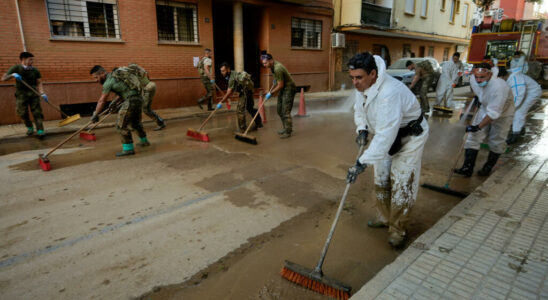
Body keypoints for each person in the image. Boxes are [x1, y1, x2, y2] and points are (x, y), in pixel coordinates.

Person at [346, 52, 429, 248]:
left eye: (359, 77)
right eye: (352, 78)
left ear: (373, 73)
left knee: (402, 181)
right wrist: (362, 129)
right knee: (381, 177)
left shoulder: (389, 93)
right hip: (388, 134)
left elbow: (385, 135)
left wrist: (361, 163)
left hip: (410, 137)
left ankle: (398, 229)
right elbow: (360, 110)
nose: (355, 83)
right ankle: (384, 218)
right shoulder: (363, 87)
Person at [454, 63, 514, 177]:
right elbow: (477, 90)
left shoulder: (499, 87)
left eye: (482, 77)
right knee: (472, 137)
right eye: (476, 76)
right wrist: (478, 97)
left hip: (503, 114)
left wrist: (478, 126)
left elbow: (494, 113)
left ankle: (487, 168)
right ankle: (467, 168)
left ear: (490, 74)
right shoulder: (473, 79)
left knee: (497, 141)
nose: (478, 80)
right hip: (485, 108)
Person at [89, 65, 150, 157]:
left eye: (96, 77)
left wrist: (96, 114)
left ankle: (128, 149)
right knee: (135, 123)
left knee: (120, 125)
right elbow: (125, 90)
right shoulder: (116, 76)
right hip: (138, 99)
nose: (96, 80)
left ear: (102, 73)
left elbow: (102, 100)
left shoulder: (108, 82)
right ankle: (144, 141)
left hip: (130, 101)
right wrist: (114, 103)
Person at [1, 52, 46, 138]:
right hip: (21, 94)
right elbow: (3, 78)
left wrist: (42, 93)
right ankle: (29, 127)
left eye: (32, 59)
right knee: (22, 113)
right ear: (23, 59)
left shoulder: (35, 70)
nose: (32, 61)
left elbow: (39, 82)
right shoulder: (16, 68)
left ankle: (40, 130)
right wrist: (12, 75)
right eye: (30, 59)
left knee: (37, 112)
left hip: (33, 94)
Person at [501, 66, 542, 144]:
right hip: (525, 91)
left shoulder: (515, 80)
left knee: (519, 112)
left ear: (503, 76)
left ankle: (515, 135)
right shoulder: (509, 77)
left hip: (533, 92)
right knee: (518, 111)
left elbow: (518, 96)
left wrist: (510, 108)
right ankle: (521, 129)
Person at [260, 51, 297, 139]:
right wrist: (274, 82)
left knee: (285, 111)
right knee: (279, 110)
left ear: (270, 60)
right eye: (263, 63)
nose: (264, 65)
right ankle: (285, 127)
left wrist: (271, 93)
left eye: (265, 63)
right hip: (283, 88)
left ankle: (288, 131)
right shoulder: (272, 67)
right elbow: (278, 82)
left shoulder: (277, 68)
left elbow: (281, 85)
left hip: (289, 88)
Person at [218, 63, 262, 132]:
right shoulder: (232, 74)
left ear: (228, 69)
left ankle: (243, 129)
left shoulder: (232, 77)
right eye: (221, 71)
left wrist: (221, 101)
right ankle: (259, 123)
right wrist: (226, 99)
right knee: (250, 108)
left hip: (245, 92)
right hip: (248, 91)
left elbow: (229, 92)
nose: (222, 73)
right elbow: (231, 90)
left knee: (240, 110)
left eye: (223, 71)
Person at [127, 63, 166, 131]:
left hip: (148, 88)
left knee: (145, 109)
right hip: (150, 86)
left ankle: (161, 123)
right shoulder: (142, 71)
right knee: (145, 108)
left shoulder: (135, 75)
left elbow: (136, 86)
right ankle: (137, 124)